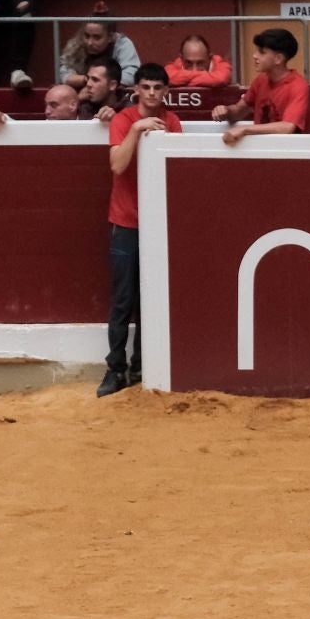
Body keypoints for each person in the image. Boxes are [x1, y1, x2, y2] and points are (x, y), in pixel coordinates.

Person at [98, 62, 183, 397]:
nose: (151, 93)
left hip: (157, 223)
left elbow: (176, 171)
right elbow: (117, 165)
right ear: (136, 90)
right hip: (126, 222)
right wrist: (137, 129)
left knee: (150, 301)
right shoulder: (124, 120)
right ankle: (116, 369)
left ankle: (142, 366)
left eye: (157, 88)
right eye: (145, 87)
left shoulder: (172, 121)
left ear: (166, 91)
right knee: (123, 300)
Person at [212, 28, 309, 145]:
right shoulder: (261, 80)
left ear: (278, 59)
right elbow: (237, 112)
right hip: (260, 148)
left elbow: (287, 127)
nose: (254, 56)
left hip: (285, 149)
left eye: (261, 52)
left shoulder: (298, 86)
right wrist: (226, 111)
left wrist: (245, 129)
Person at [59, 17, 141, 90]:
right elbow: (64, 75)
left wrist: (99, 83)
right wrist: (86, 80)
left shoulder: (122, 43)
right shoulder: (77, 44)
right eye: (87, 36)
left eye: (97, 37)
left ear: (110, 37)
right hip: (82, 90)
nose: (89, 43)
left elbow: (131, 75)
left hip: (113, 93)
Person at [166, 35, 231, 88]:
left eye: (200, 63)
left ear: (210, 58)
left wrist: (182, 81)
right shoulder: (177, 64)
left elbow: (221, 79)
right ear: (181, 59)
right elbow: (165, 78)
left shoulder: (220, 64)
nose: (195, 69)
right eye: (189, 63)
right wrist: (209, 80)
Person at [77, 58, 125, 122]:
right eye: (88, 78)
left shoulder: (129, 110)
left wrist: (116, 121)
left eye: (95, 80)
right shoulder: (84, 107)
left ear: (112, 85)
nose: (88, 84)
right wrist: (77, 100)